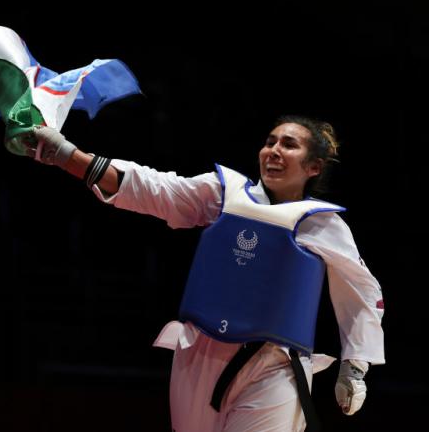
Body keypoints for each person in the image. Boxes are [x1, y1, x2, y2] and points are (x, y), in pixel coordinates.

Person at [23, 116, 384, 432]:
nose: (273, 150)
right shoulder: (223, 193)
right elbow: (157, 189)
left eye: (288, 145)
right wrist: (67, 155)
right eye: (270, 141)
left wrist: (355, 366)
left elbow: (361, 292)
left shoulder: (323, 224)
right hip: (199, 353)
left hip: (274, 364)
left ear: (313, 167)